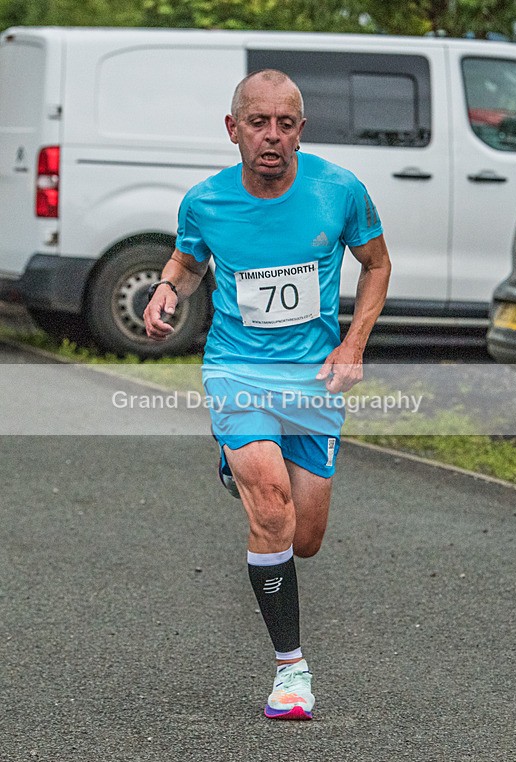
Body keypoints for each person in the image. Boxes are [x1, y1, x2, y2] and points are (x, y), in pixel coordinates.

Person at [144, 69, 391, 721]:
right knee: (272, 506)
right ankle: (292, 671)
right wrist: (170, 288)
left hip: (314, 380)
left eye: (286, 124)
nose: (272, 136)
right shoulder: (205, 201)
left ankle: (244, 465)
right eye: (258, 123)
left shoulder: (339, 191)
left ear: (301, 131)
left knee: (304, 537)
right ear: (234, 129)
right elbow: (189, 260)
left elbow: (377, 264)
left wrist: (353, 344)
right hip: (237, 370)